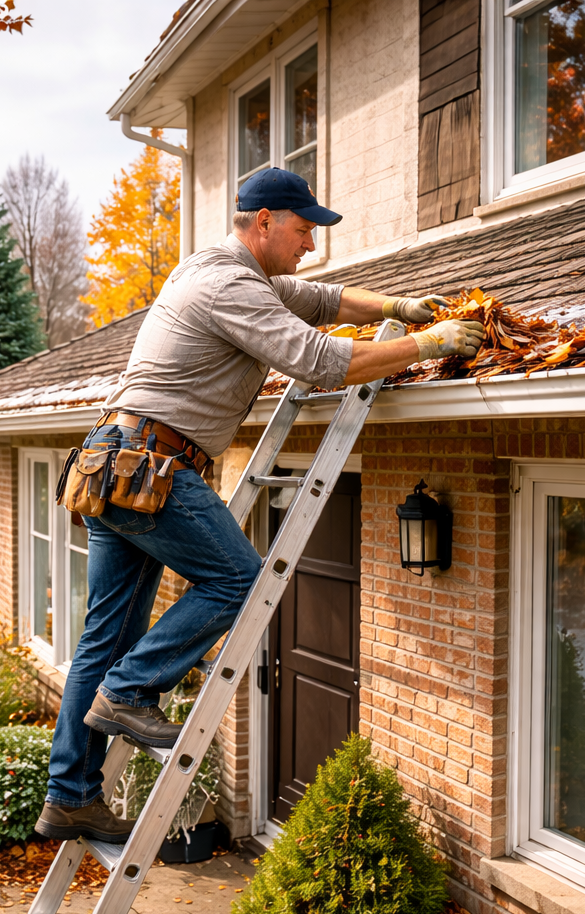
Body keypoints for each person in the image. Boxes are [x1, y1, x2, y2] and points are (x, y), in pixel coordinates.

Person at [34, 167, 484, 843]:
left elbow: (323, 300)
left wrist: (397, 305)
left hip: (116, 464)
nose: (309, 244)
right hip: (152, 465)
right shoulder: (228, 284)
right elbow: (319, 360)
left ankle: (70, 796)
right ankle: (129, 694)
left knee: (103, 640)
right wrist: (427, 345)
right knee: (244, 582)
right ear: (266, 221)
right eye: (304, 230)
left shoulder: (227, 270)